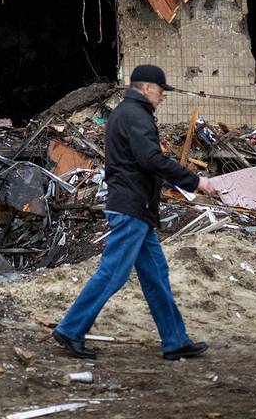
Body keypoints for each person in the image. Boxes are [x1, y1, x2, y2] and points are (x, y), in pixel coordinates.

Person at [51, 65, 217, 362]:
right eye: (161, 90)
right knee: (113, 273)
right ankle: (70, 328)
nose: (163, 96)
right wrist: (196, 181)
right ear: (146, 88)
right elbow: (150, 158)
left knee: (155, 275)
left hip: (137, 209)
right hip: (131, 209)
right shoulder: (135, 116)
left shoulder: (126, 114)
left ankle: (175, 341)